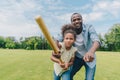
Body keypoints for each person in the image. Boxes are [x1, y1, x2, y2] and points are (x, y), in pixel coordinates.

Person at [53, 13, 101, 80]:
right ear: (71, 22)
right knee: (69, 76)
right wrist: (55, 49)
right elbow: (57, 39)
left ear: (82, 20)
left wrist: (91, 52)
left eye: (78, 19)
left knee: (89, 79)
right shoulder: (69, 31)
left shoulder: (89, 27)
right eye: (74, 20)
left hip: (90, 58)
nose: (76, 21)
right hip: (77, 58)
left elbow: (96, 40)